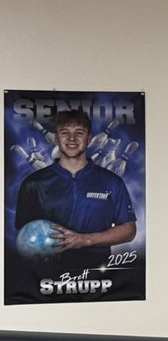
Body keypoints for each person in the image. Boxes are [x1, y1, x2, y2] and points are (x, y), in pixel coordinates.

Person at [14, 109, 136, 272]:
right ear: (56, 138)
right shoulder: (32, 183)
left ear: (89, 139)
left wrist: (85, 240)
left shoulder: (112, 182)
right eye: (65, 133)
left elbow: (128, 230)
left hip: (98, 283)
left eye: (79, 132)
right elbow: (23, 234)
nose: (72, 139)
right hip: (45, 284)